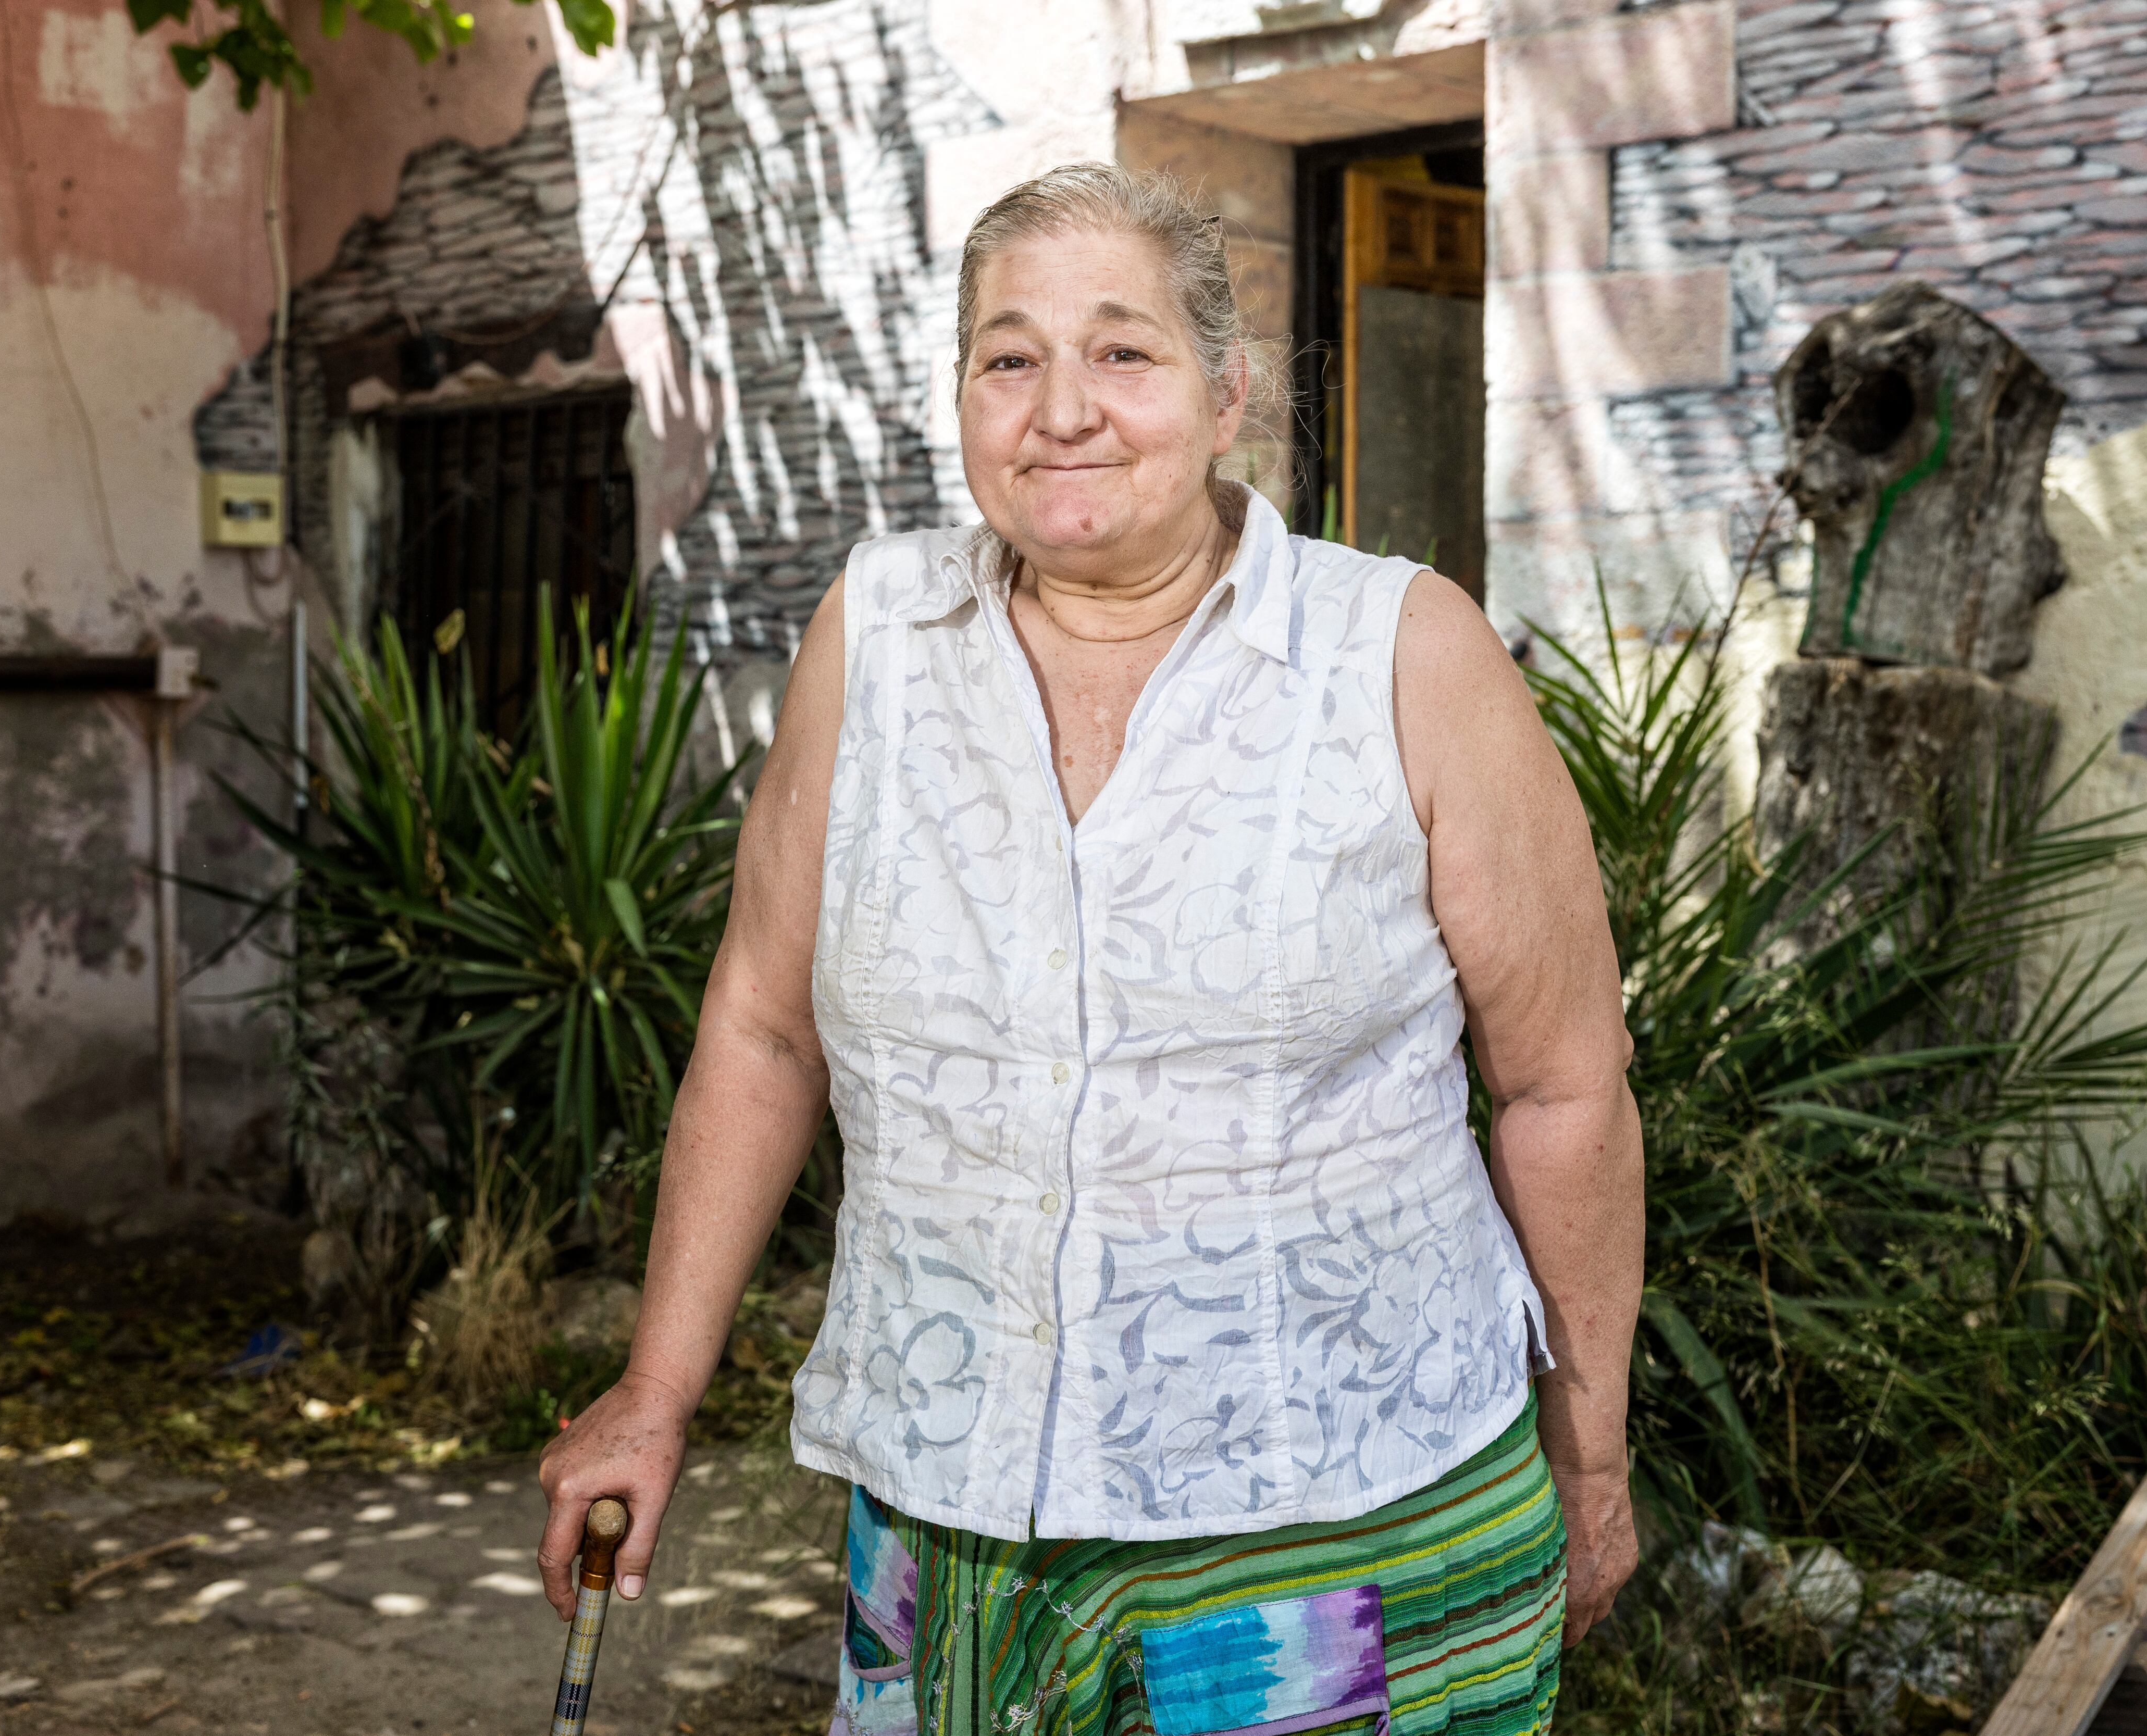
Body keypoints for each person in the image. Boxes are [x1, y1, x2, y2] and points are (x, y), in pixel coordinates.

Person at [537, 161, 1643, 1736]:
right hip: (952, 1526)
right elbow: (767, 1030)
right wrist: (655, 1393)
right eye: (1009, 357)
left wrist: (1589, 1458)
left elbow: (1563, 1089)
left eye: (1122, 353)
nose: (1062, 408)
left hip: (1341, 1521)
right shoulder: (878, 635)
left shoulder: (1398, 651)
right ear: (966, 399)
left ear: (1226, 396)